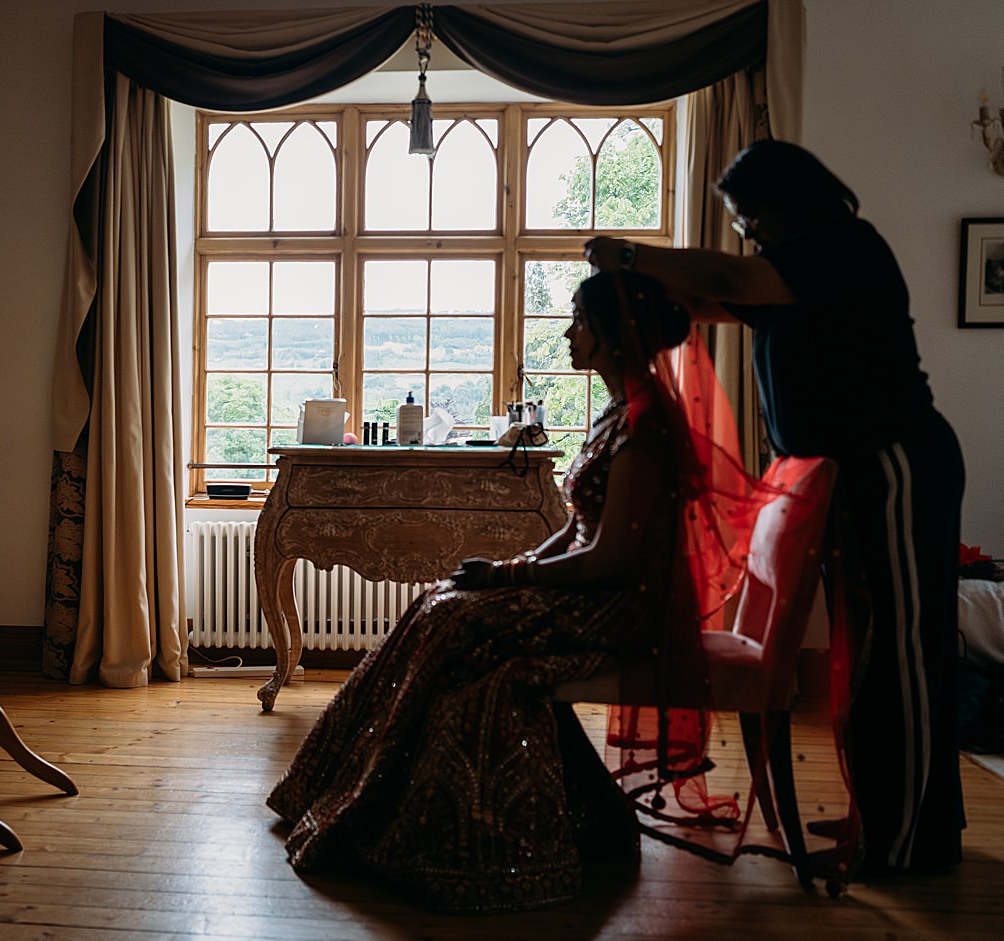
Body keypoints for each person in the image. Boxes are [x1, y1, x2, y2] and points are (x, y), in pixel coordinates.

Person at [268, 271, 751, 913]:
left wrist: (508, 576)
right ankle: (344, 789)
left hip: (619, 608)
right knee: (438, 604)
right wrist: (514, 565)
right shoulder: (617, 412)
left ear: (612, 337)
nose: (568, 332)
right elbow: (580, 527)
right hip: (594, 590)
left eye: (579, 320)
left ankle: (440, 828)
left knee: (453, 624)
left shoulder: (646, 429)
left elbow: (607, 557)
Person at [586, 140, 965, 877]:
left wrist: (631, 254)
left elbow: (725, 274)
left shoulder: (842, 249)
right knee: (864, 655)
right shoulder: (798, 273)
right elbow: (706, 297)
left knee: (902, 656)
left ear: (791, 203)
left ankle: (913, 841)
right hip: (851, 474)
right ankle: (886, 815)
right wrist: (642, 297)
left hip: (896, 465)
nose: (748, 230)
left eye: (752, 214)